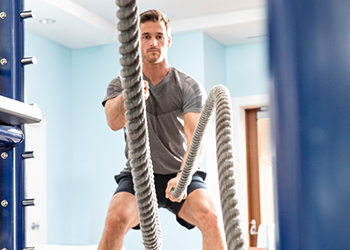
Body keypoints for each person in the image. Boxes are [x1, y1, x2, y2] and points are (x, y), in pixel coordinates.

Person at [98, 9, 227, 250]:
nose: (153, 42)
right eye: (145, 36)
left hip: (180, 172)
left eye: (158, 36)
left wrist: (184, 176)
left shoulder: (187, 86)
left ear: (168, 41)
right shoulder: (119, 84)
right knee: (115, 221)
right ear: (136, 43)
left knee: (212, 218)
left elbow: (195, 139)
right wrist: (130, 95)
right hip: (138, 174)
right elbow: (113, 122)